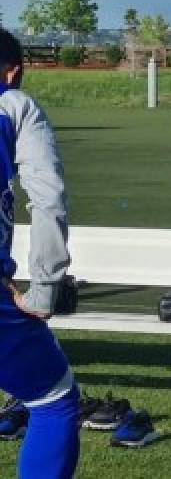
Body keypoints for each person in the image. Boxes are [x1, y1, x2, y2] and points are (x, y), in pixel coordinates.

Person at [0, 27, 79, 478]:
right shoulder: (14, 106)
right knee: (54, 401)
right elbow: (47, 199)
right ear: (14, 73)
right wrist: (44, 289)